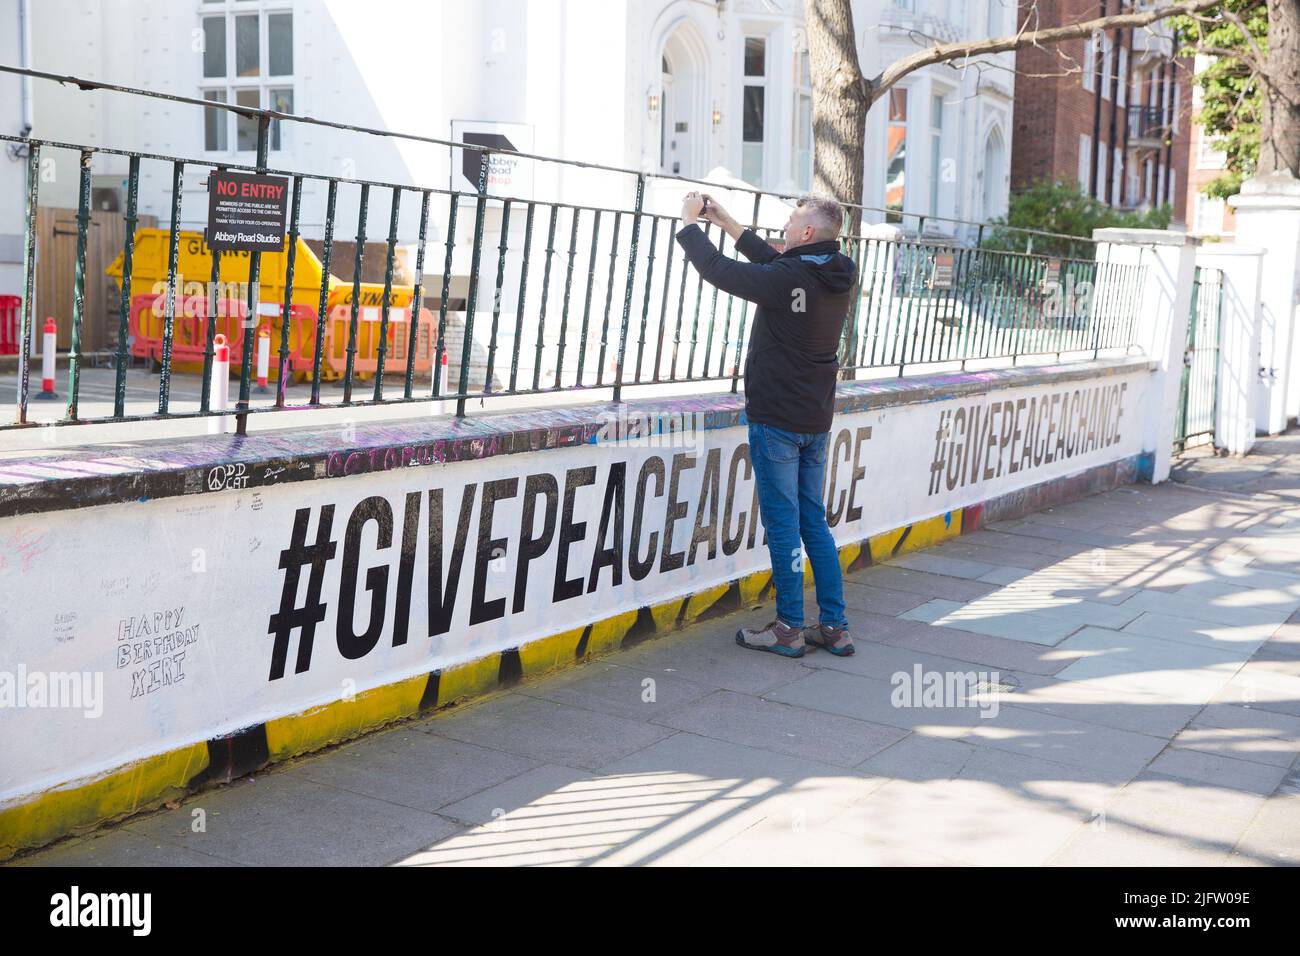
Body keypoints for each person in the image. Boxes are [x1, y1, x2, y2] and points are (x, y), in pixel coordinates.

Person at [675, 190, 858, 658]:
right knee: (814, 522)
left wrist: (689, 225)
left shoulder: (791, 275)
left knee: (783, 525)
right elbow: (775, 267)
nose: (786, 223)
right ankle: (834, 627)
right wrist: (728, 221)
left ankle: (789, 628)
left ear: (806, 232)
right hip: (815, 418)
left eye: (792, 219)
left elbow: (722, 272)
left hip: (777, 418)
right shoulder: (836, 271)